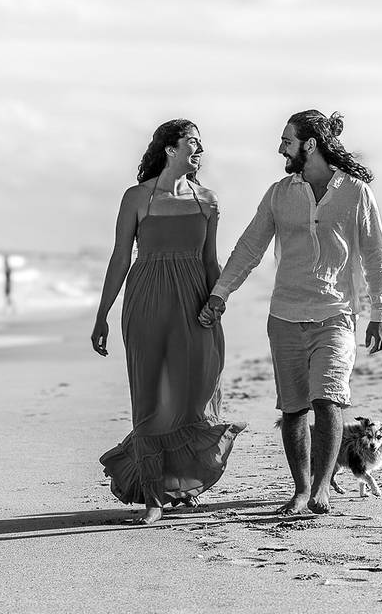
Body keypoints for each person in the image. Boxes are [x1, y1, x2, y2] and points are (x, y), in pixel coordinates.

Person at [199, 110, 382, 515]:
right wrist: (221, 293)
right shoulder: (279, 193)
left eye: (287, 140)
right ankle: (301, 490)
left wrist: (378, 311)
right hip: (284, 315)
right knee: (293, 407)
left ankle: (321, 487)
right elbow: (250, 247)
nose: (280, 148)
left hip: (336, 315)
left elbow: (375, 255)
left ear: (310, 145)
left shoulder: (356, 193)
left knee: (329, 400)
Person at [91, 119, 246, 525]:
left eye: (201, 144)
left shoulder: (207, 201)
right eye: (192, 142)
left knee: (194, 393)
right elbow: (120, 258)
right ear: (170, 148)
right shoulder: (137, 197)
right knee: (150, 398)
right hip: (146, 302)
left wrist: (218, 301)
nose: (200, 150)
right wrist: (102, 313)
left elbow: (211, 262)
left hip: (195, 304)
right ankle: (154, 497)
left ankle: (181, 479)